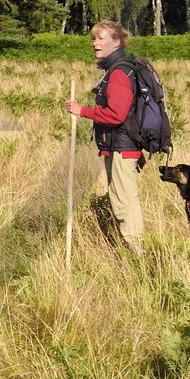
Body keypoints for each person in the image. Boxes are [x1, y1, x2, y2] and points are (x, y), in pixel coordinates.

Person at [64, 20, 144, 247]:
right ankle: (134, 249)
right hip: (120, 146)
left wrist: (83, 111)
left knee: (124, 203)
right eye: (93, 38)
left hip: (122, 147)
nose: (95, 43)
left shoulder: (119, 72)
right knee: (122, 200)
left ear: (117, 42)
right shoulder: (118, 68)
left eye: (101, 38)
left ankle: (137, 254)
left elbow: (117, 115)